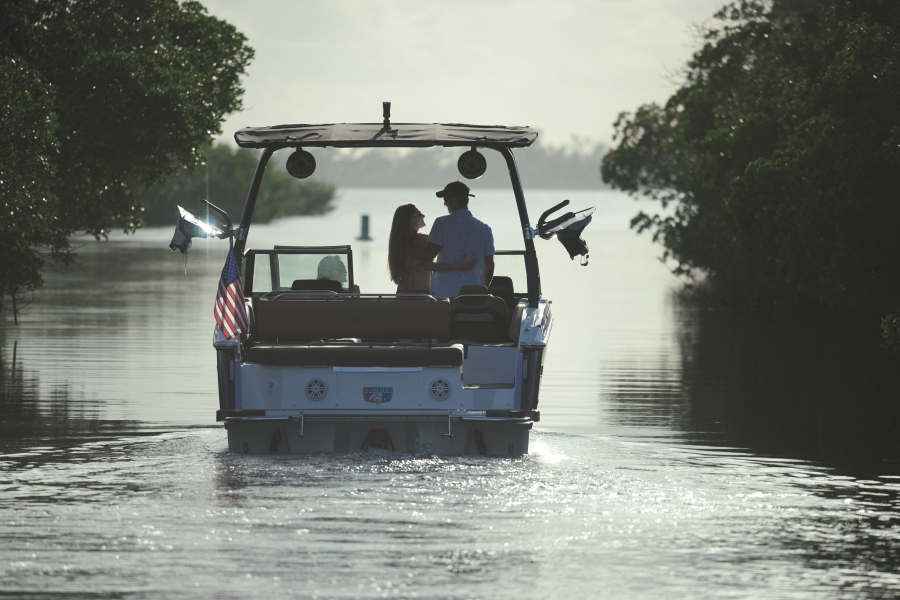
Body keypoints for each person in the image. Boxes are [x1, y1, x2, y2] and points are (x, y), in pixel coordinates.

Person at [415, 181, 494, 298]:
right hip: (473, 295)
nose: (444, 204)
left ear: (454, 200)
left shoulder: (441, 223)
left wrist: (408, 248)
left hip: (444, 293)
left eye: (445, 200)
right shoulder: (485, 229)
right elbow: (489, 265)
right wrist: (482, 290)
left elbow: (428, 255)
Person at [388, 203, 475, 294]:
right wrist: (457, 266)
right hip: (421, 293)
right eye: (418, 214)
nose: (423, 215)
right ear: (408, 219)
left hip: (402, 291)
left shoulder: (399, 244)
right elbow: (429, 266)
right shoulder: (422, 240)